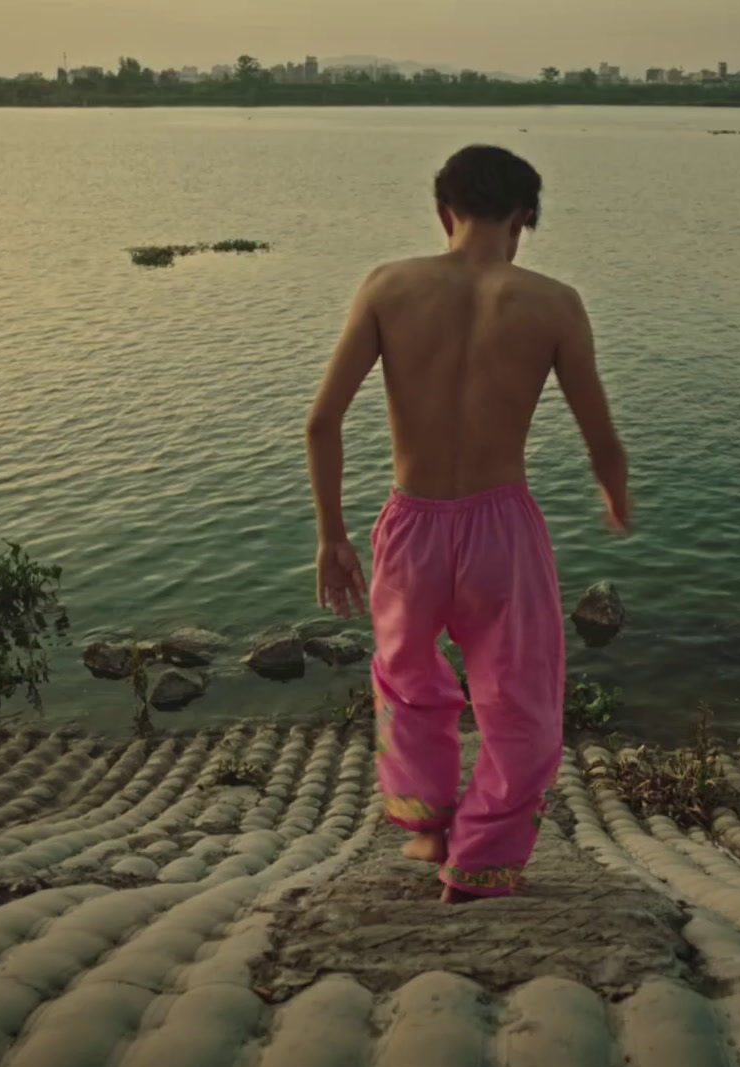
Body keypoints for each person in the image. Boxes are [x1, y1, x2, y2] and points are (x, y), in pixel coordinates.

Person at [305, 144, 629, 902]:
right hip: (502, 530)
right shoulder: (552, 302)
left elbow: (322, 422)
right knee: (521, 699)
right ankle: (482, 859)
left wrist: (332, 535)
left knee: (406, 680)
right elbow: (600, 435)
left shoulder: (387, 286)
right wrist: (615, 495)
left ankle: (426, 824)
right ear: (524, 221)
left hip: (411, 525)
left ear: (443, 212)